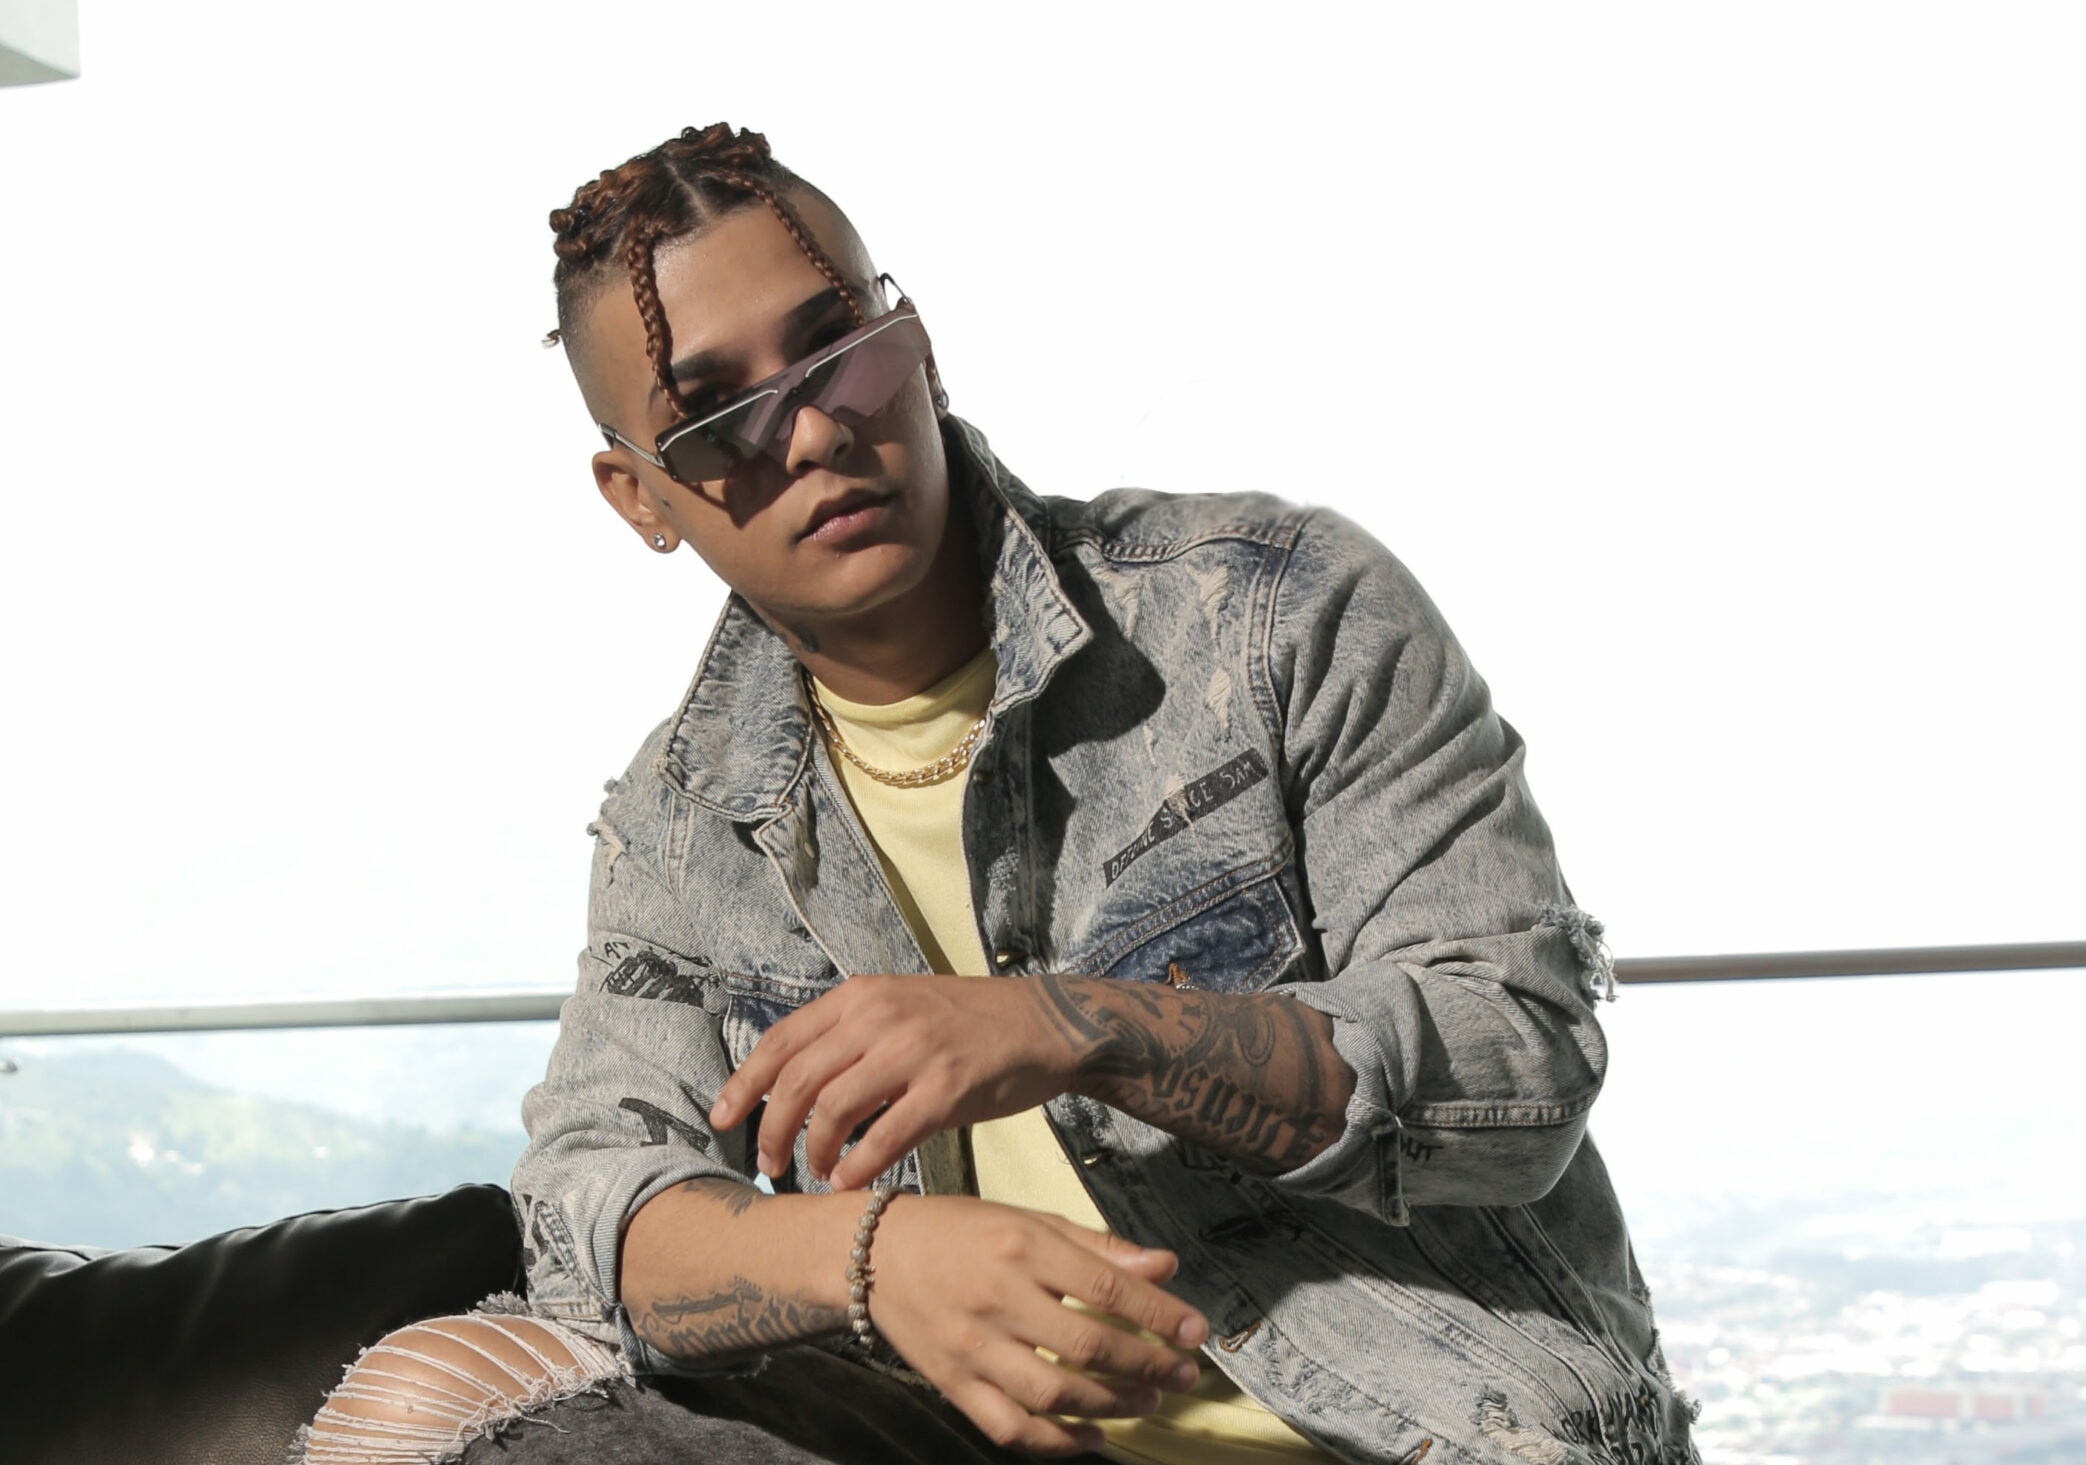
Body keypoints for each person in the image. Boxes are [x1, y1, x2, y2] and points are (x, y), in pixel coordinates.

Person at [297, 123, 1701, 1465]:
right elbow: (589, 1204)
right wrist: (871, 1259)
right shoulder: (684, 821)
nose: (811, 432)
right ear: (639, 496)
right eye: (718, 417)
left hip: (1423, 1434)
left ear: (915, 344)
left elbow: (1519, 1059)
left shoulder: (1275, 616)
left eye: (839, 353)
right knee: (421, 1398)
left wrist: (1070, 1026)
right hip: (977, 1441)